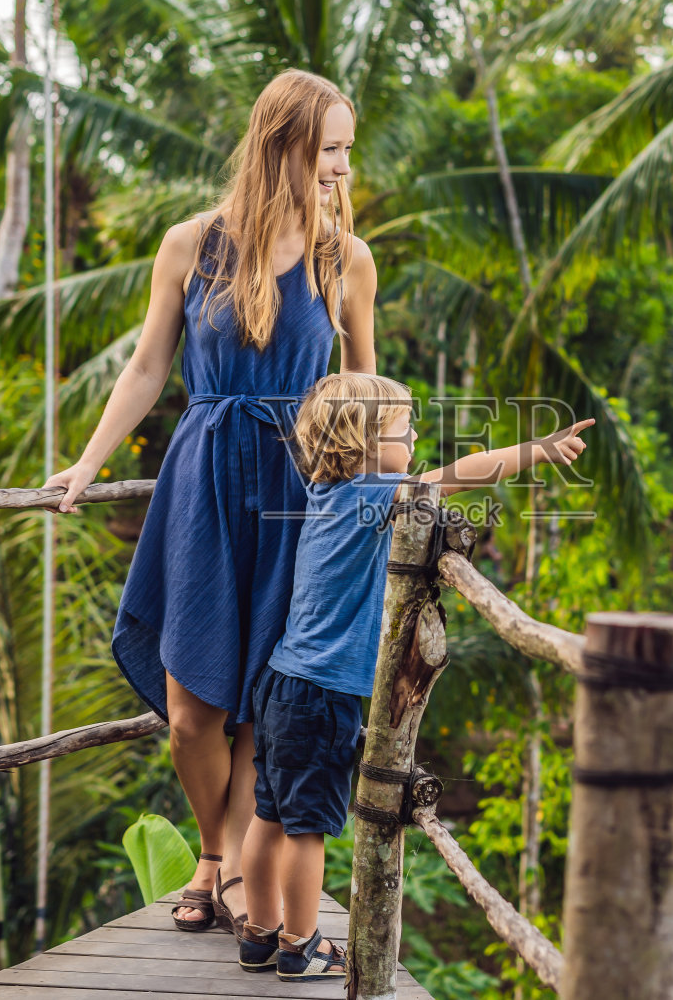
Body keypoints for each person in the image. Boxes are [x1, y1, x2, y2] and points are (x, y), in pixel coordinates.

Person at [43, 70, 378, 936]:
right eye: (329, 149)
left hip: (301, 489)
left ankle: (224, 869)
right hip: (204, 481)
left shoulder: (347, 257)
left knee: (270, 690)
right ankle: (211, 846)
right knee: (193, 707)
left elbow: (364, 389)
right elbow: (148, 367)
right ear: (284, 147)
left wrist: (392, 489)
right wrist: (86, 463)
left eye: (346, 148)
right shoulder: (190, 244)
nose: (344, 166)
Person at [236, 371, 593, 980]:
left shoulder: (327, 491)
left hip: (283, 682)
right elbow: (461, 472)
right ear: (364, 442)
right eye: (405, 429)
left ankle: (258, 934)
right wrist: (538, 450)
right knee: (307, 828)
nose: (417, 436)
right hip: (324, 693)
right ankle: (300, 945)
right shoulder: (374, 493)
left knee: (269, 813)